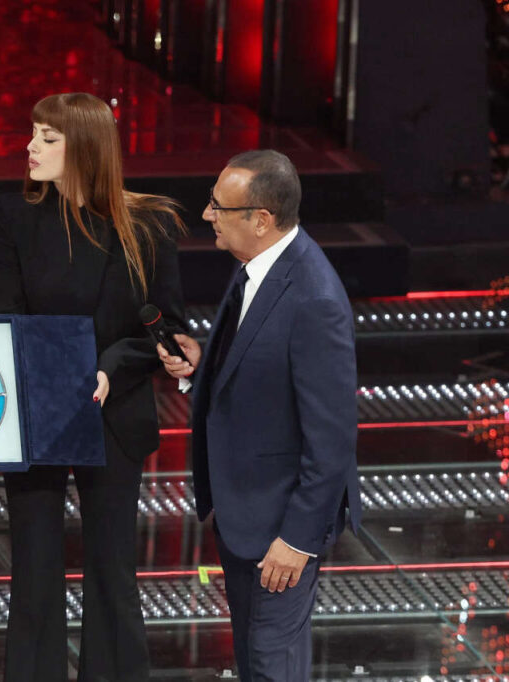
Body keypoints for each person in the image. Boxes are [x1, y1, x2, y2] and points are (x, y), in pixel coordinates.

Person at [0, 92, 186, 682]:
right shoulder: (14, 215)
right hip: (38, 411)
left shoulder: (148, 224)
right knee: (33, 569)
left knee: (112, 567)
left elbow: (165, 327)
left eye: (48, 138)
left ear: (86, 147)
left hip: (114, 413)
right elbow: (8, 321)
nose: (31, 147)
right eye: (33, 133)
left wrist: (110, 367)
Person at [158, 149, 362, 681]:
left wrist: (296, 541)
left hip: (281, 527)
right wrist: (204, 364)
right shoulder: (259, 265)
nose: (208, 216)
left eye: (218, 207)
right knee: (255, 661)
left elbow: (332, 439)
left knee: (272, 665)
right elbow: (260, 368)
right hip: (244, 514)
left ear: (261, 219)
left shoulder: (314, 298)